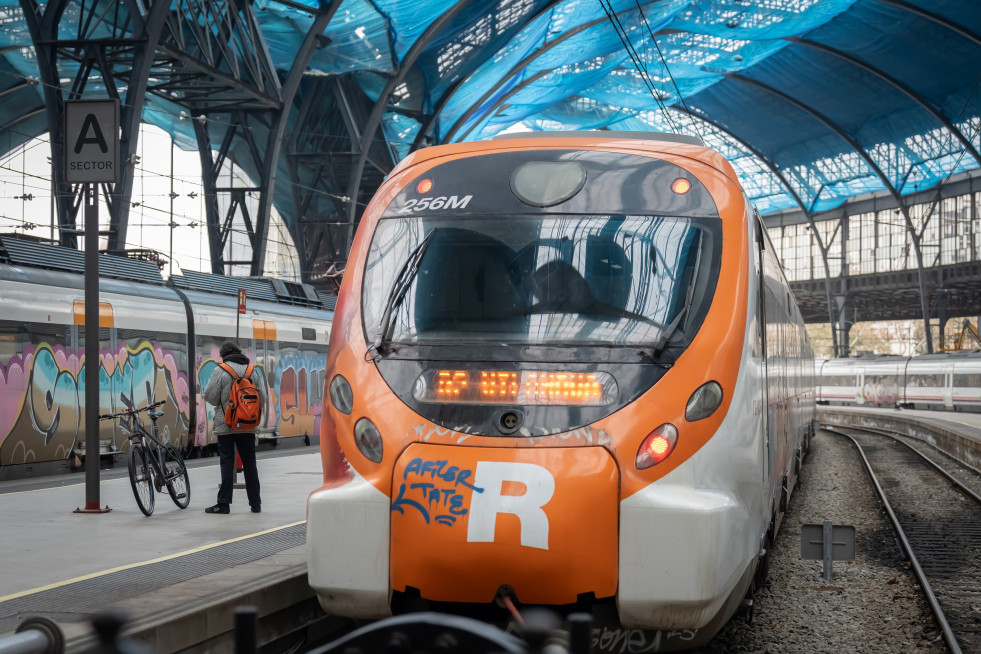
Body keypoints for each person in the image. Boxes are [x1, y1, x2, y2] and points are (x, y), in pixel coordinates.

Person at [203, 341, 267, 514]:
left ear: (223, 355)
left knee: (227, 461)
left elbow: (209, 396)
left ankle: (223, 503)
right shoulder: (252, 371)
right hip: (248, 425)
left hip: (227, 425)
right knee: (250, 462)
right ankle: (255, 503)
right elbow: (263, 397)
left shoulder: (221, 370)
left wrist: (225, 402)